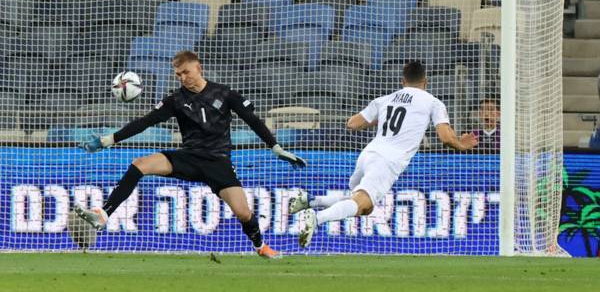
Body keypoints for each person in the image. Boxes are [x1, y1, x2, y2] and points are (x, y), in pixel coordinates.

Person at [75, 50, 306, 259]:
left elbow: (253, 121)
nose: (183, 78)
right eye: (178, 74)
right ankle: (103, 215)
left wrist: (276, 147)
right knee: (140, 164)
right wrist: (109, 139)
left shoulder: (224, 94)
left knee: (244, 213)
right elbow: (144, 122)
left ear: (198, 68)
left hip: (218, 162)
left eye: (185, 72)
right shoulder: (176, 100)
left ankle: (260, 246)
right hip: (188, 158)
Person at [290, 61, 478, 248]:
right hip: (387, 161)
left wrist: (380, 117)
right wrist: (461, 145)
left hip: (368, 154)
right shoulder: (433, 102)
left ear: (403, 81)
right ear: (425, 82)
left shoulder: (385, 99)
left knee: (364, 206)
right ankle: (316, 218)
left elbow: (352, 123)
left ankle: (312, 201)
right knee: (362, 202)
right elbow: (445, 137)